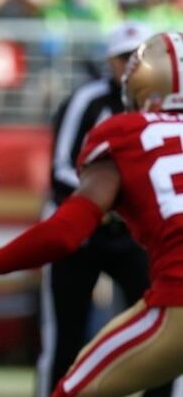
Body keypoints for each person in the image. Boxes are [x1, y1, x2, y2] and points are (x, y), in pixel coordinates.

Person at [0, 32, 183, 397]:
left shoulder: (126, 131)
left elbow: (64, 232)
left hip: (176, 301)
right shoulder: (94, 106)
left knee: (69, 390)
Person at [37, 21, 175, 397]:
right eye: (124, 58)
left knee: (162, 329)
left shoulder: (166, 108)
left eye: (138, 57)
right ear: (110, 62)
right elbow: (61, 168)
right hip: (79, 231)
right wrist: (105, 204)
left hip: (132, 235)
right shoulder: (88, 100)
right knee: (65, 335)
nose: (132, 65)